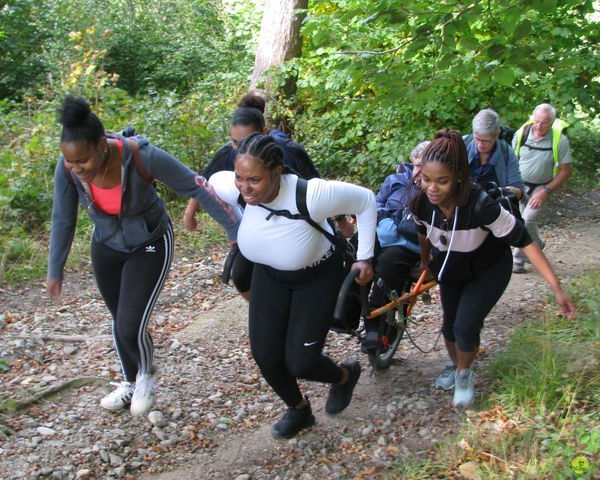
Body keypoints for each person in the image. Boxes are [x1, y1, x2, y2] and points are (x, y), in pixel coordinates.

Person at [47, 95, 240, 416]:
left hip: (150, 242)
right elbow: (62, 218)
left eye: (83, 160)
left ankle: (146, 374)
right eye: (70, 161)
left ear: (101, 144)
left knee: (129, 324)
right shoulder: (67, 170)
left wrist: (233, 228)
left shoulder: (141, 156)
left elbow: (196, 185)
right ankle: (129, 381)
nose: (77, 168)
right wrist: (56, 268)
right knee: (119, 319)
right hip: (107, 245)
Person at [209, 133, 376, 439]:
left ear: (276, 172)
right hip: (269, 277)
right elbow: (203, 183)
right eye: (240, 178)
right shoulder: (235, 187)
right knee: (267, 357)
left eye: (255, 180)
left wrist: (365, 257)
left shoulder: (311, 194)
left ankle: (343, 376)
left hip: (316, 278)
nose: (245, 187)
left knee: (301, 362)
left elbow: (366, 200)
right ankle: (299, 410)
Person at [411, 129, 575, 408]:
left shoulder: (480, 205)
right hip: (452, 267)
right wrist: (425, 261)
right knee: (449, 327)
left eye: (442, 181)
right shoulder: (421, 202)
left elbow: (524, 241)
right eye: (426, 179)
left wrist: (556, 287)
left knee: (465, 325)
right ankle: (455, 365)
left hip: (489, 268)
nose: (432, 188)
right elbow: (422, 234)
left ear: (459, 178)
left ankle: (464, 374)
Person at [183, 93, 320, 299]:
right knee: (242, 277)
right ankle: (265, 312)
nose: (239, 149)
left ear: (264, 133)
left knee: (288, 272)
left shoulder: (287, 150)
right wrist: (190, 212)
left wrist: (339, 221)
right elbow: (203, 180)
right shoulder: (228, 153)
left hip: (295, 225)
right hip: (255, 224)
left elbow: (317, 188)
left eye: (246, 140)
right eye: (235, 142)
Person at [362, 141, 429, 352]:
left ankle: (373, 326)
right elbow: (376, 202)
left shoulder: (434, 189)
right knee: (356, 253)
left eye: (426, 167)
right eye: (418, 166)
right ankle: (348, 308)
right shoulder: (396, 180)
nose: (420, 172)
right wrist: (384, 222)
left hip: (410, 243)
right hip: (383, 230)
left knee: (387, 264)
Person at [511, 103, 573, 273]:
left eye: (543, 123)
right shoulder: (521, 134)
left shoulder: (559, 140)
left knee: (526, 220)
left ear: (552, 122)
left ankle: (518, 259)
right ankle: (537, 243)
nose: (538, 126)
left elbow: (566, 170)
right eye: (536, 121)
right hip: (519, 185)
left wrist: (545, 192)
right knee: (522, 219)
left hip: (542, 187)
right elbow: (511, 159)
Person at [465, 108, 523, 199]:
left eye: (485, 141)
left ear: (497, 135)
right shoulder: (462, 144)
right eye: (477, 139)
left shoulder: (507, 153)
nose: (480, 145)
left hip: (494, 207)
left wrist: (503, 191)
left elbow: (519, 191)